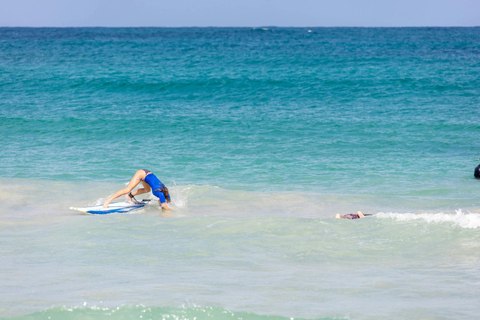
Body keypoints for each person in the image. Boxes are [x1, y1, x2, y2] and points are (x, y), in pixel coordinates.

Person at [103, 169, 171, 210]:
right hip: (142, 174)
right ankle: (107, 201)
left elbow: (167, 202)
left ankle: (129, 196)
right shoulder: (160, 193)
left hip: (147, 175)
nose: (160, 204)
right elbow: (165, 206)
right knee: (127, 190)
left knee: (147, 190)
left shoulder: (166, 192)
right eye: (161, 202)